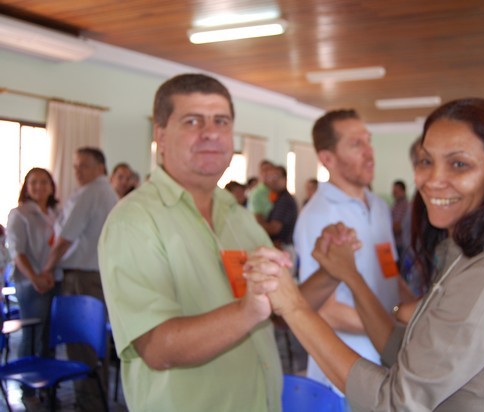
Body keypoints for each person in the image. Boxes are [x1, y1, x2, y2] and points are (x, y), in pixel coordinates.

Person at [247, 97, 484, 411]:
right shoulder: (462, 251)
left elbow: (397, 401)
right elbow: (406, 349)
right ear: (327, 158)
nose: (432, 180)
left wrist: (294, 305)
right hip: (351, 364)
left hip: (378, 383)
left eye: (459, 164)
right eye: (425, 161)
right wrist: (347, 279)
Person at [98, 73, 282, 412]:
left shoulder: (238, 217)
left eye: (221, 121)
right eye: (193, 120)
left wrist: (331, 270)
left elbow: (282, 305)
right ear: (161, 137)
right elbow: (157, 347)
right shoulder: (134, 221)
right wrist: (248, 310)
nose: (210, 132)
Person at [292, 109, 400, 399]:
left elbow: (389, 271)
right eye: (356, 145)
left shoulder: (377, 206)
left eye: (369, 141)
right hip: (346, 369)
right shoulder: (320, 216)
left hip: (388, 359)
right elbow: (325, 311)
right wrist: (395, 328)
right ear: (327, 159)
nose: (370, 153)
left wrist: (419, 310)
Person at [40, 147, 118, 412]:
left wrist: (47, 269)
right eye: (75, 165)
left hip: (83, 278)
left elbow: (66, 238)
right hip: (91, 275)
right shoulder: (103, 192)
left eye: (83, 165)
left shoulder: (92, 192)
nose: (77, 170)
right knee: (91, 348)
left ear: (100, 167)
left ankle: (89, 404)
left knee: (81, 347)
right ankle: (93, 401)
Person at [6, 168, 62, 411]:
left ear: (51, 186)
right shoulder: (19, 214)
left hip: (53, 278)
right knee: (32, 335)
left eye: (43, 182)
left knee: (48, 336)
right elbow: (17, 252)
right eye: (33, 182)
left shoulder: (56, 212)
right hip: (30, 283)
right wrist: (36, 277)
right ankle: (28, 390)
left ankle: (47, 387)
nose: (39, 187)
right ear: (26, 187)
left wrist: (48, 274)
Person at [258, 165, 298, 256]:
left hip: (283, 249)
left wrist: (257, 219)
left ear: (285, 179)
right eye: (269, 177)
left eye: (276, 177)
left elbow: (274, 229)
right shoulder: (276, 198)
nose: (272, 180)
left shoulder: (285, 200)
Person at [390, 180, 408, 267]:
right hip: (395, 244)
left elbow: (397, 228)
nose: (393, 193)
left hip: (400, 244)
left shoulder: (404, 206)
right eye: (393, 191)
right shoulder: (395, 205)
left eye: (396, 191)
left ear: (403, 191)